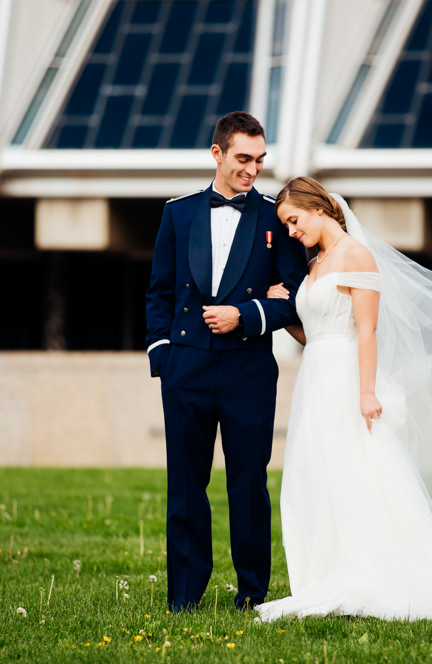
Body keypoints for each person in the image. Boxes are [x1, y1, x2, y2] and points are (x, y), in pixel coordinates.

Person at [255, 177, 432, 622]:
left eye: (294, 221)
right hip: (315, 378)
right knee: (311, 475)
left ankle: (369, 571)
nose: (292, 231)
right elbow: (315, 334)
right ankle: (322, 574)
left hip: (346, 378)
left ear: (317, 208)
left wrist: (367, 392)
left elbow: (366, 331)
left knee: (356, 471)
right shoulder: (316, 264)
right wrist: (285, 308)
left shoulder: (356, 255)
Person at [145, 112, 308, 612]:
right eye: (243, 158)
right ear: (217, 154)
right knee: (186, 484)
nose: (253, 169)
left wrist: (248, 314)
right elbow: (160, 293)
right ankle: (184, 598)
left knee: (248, 485)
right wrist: (164, 359)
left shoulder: (274, 217)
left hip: (249, 372)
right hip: (186, 370)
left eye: (260, 160)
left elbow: (301, 293)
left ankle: (252, 593)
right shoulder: (177, 213)